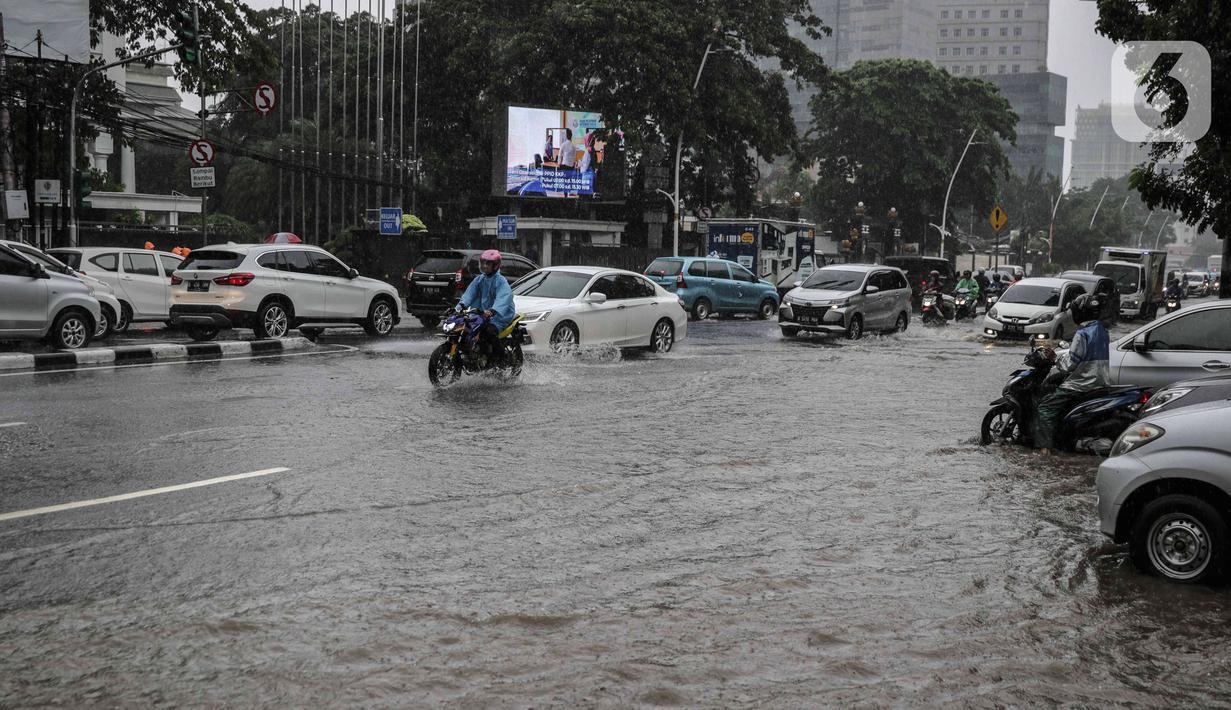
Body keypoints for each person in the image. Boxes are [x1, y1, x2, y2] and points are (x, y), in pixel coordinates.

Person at [1033, 294, 1111, 456]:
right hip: (1100, 381)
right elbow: (1085, 354)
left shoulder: (1082, 333)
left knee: (1045, 407)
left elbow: (1070, 363)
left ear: (1080, 312)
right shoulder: (1103, 331)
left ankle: (1044, 449)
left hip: (1082, 383)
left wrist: (1055, 359)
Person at [456, 249, 516, 364]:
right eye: (483, 262)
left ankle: (500, 358)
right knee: (466, 329)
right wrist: (460, 306)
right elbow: (469, 294)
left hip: (500, 316)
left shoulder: (501, 281)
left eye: (488, 263)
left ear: (495, 265)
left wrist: (494, 310)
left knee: (488, 332)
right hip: (482, 314)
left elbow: (504, 297)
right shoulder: (479, 279)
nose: (484, 266)